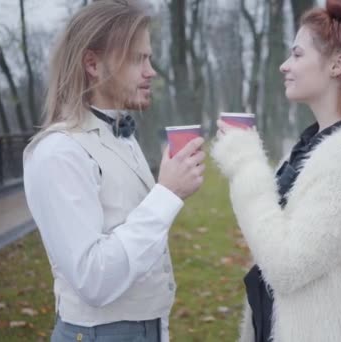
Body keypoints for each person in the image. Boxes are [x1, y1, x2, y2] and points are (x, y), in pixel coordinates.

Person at [211, 0, 341, 341]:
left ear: (338, 64)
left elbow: (287, 266)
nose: (284, 65)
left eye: (297, 55)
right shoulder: (311, 147)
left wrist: (245, 163)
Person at [23, 1, 205, 341]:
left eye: (149, 58)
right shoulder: (58, 152)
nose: (151, 71)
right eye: (138, 59)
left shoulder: (120, 133)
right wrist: (167, 193)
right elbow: (94, 279)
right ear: (93, 63)